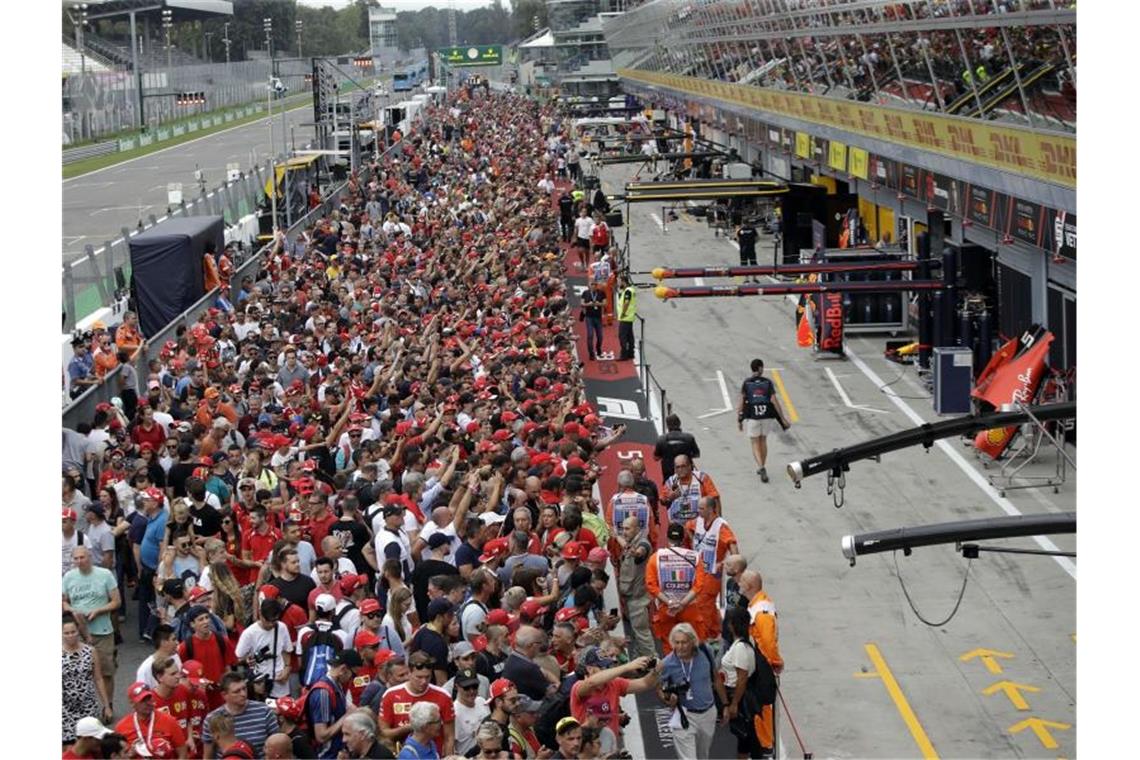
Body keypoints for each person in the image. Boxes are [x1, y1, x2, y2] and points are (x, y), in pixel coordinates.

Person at [646, 523, 721, 653]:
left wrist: (669, 602)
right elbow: (699, 585)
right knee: (693, 643)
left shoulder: (655, 558)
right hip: (689, 608)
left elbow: (651, 585)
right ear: (683, 538)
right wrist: (682, 604)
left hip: (666, 608)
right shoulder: (695, 557)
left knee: (669, 645)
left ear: (667, 537)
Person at [62, 546, 121, 703]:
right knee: (76, 673)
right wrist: (72, 610)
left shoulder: (105, 575)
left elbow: (116, 601)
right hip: (76, 633)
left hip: (102, 631)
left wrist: (99, 610)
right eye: (76, 558)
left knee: (105, 672)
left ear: (90, 557)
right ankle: (82, 705)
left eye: (82, 557)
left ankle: (107, 705)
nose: (79, 561)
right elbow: (62, 601)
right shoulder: (68, 577)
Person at [715, 606, 774, 760]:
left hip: (739, 699)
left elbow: (742, 677)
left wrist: (733, 704)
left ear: (732, 625)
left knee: (746, 739)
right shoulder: (744, 644)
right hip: (739, 697)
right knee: (745, 740)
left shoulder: (740, 648)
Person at [570, 648, 659, 747]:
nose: (608, 669)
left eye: (608, 666)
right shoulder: (578, 686)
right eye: (603, 667)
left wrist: (657, 668)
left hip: (610, 746)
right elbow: (591, 683)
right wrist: (628, 666)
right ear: (590, 669)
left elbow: (645, 683)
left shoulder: (614, 683)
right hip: (587, 748)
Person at [738, 569, 783, 756]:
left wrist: (775, 662)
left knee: (762, 705)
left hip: (763, 665)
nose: (738, 584)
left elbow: (767, 641)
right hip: (759, 662)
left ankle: (766, 744)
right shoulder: (756, 605)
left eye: (741, 582)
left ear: (749, 585)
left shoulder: (761, 610)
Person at [658, 623, 718, 760]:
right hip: (684, 714)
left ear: (692, 641)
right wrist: (667, 700)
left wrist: (726, 704)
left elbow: (716, 677)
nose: (680, 647)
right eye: (676, 642)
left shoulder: (705, 651)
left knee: (703, 755)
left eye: (684, 642)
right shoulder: (667, 663)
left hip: (707, 713)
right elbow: (659, 688)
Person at [379, 650, 455, 756]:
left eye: (427, 677)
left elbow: (449, 737)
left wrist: (449, 758)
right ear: (409, 673)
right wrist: (412, 727)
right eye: (419, 677)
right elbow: (384, 733)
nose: (423, 681)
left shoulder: (443, 696)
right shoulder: (390, 695)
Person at [201, 671, 280, 758]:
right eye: (237, 691)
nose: (243, 694)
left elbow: (277, 747)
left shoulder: (264, 711)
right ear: (224, 695)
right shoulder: (212, 720)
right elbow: (207, 756)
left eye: (244, 689)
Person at [62, 612, 114, 744]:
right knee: (69, 748)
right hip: (65, 709)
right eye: (66, 633)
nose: (70, 636)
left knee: (91, 746)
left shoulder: (90, 651)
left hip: (88, 706)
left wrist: (106, 705)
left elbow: (98, 679)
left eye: (73, 632)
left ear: (78, 631)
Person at [737, 358, 790, 483]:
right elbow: (774, 401)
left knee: (755, 442)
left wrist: (739, 419)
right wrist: (782, 418)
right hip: (766, 416)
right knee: (763, 440)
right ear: (760, 368)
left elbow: (741, 402)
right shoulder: (767, 383)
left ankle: (761, 466)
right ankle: (762, 466)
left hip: (753, 417)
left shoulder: (747, 383)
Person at [614, 515, 656, 659]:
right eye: (623, 529)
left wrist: (635, 553)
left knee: (642, 633)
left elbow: (640, 552)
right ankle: (641, 660)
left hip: (638, 598)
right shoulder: (630, 542)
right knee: (637, 633)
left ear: (637, 529)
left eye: (627, 528)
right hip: (631, 597)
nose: (624, 532)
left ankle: (654, 663)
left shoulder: (643, 544)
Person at [307, 650, 361, 758]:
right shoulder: (323, 693)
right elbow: (321, 736)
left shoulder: (336, 685)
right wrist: (347, 716)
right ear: (343, 669)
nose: (352, 680)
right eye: (353, 675)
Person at [234, 598, 292, 699]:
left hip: (280, 682)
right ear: (260, 615)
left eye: (274, 621)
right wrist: (249, 658)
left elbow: (286, 650)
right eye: (268, 620)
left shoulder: (282, 627)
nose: (271, 624)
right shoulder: (249, 633)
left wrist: (287, 668)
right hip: (260, 684)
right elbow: (238, 657)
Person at [115, 681, 189, 758]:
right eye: (143, 700)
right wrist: (129, 754)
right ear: (132, 703)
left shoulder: (170, 721)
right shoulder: (121, 727)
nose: (148, 703)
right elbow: (118, 756)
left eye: (149, 698)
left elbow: (183, 753)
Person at [687, 496, 739, 578]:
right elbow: (688, 527)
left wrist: (731, 564)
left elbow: (733, 545)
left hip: (713, 572)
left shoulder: (721, 526)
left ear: (710, 510)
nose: (698, 511)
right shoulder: (698, 521)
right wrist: (692, 540)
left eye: (701, 509)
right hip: (699, 568)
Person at [661, 455, 719, 525]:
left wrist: (717, 521)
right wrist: (670, 498)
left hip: (698, 525)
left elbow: (715, 498)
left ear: (690, 466)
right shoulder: (671, 481)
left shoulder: (701, 478)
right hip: (677, 526)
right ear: (675, 469)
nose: (680, 470)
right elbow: (662, 500)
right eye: (678, 467)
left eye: (683, 466)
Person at [451, 667, 490, 755]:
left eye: (475, 686)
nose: (471, 691)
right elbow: (451, 745)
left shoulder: (482, 702)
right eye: (466, 688)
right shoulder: (454, 712)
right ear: (457, 687)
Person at [653, 414, 702, 482]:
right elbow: (697, 454)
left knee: (669, 490)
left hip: (669, 474)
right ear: (679, 423)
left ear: (667, 426)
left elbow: (656, 458)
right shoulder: (689, 438)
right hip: (686, 472)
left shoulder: (661, 440)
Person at [581, 280, 606, 361]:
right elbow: (582, 303)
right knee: (590, 335)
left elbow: (605, 303)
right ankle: (591, 353)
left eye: (595, 285)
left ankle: (598, 349)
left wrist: (598, 303)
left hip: (598, 317)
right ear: (589, 285)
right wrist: (589, 304)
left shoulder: (601, 293)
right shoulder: (585, 293)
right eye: (592, 284)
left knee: (600, 336)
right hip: (589, 317)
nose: (593, 286)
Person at [616, 276, 637, 361]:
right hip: (630, 317)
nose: (619, 284)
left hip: (625, 317)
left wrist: (623, 313)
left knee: (622, 336)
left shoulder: (628, 291)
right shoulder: (631, 290)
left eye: (619, 282)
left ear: (623, 282)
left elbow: (626, 303)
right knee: (630, 336)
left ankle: (624, 355)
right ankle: (631, 353)